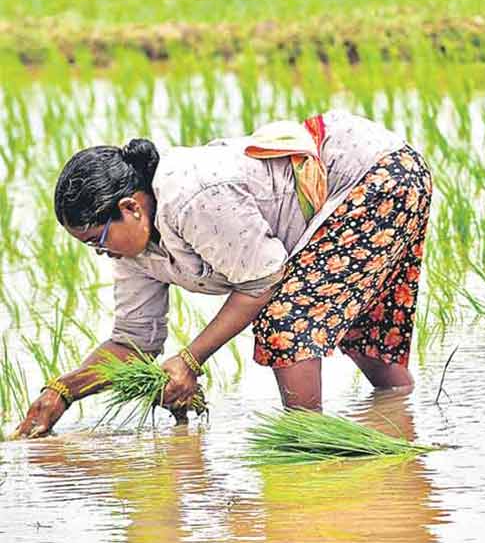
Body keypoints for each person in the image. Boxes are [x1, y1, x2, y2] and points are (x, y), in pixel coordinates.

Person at [15, 110, 432, 438]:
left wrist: (189, 360)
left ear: (130, 208)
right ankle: (400, 419)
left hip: (378, 175)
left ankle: (310, 446)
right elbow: (133, 340)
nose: (102, 254)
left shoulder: (190, 195)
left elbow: (261, 280)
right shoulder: (135, 252)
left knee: (286, 320)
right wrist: (64, 390)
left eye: (98, 240)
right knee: (361, 331)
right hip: (367, 185)